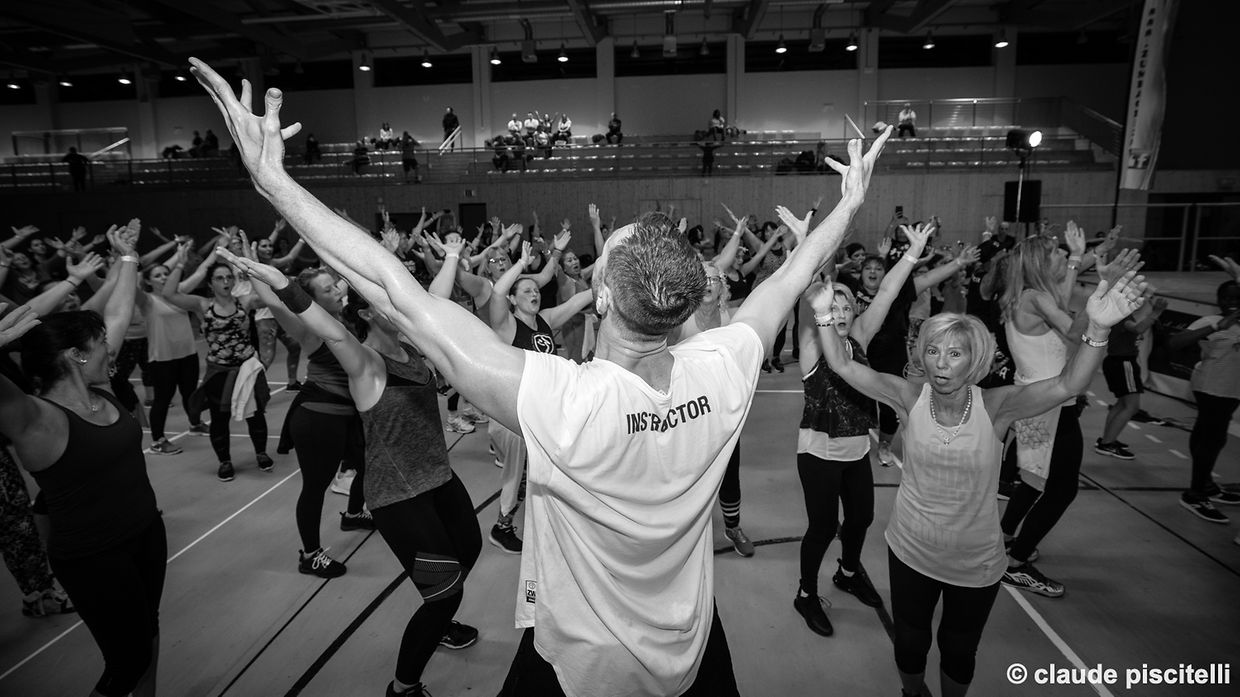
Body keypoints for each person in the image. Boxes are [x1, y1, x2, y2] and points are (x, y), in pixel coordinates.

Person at [188, 56, 890, 697]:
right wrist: (850, 204)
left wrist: (273, 180)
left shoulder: (563, 401)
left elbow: (399, 291)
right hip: (693, 649)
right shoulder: (727, 364)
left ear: (607, 298)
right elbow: (793, 275)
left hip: (581, 665)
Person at [812, 270, 1145, 697]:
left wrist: (1098, 327)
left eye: (954, 354)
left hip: (976, 561)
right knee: (911, 642)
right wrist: (823, 315)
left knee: (958, 648)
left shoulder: (997, 405)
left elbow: (1070, 383)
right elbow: (840, 363)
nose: (940, 363)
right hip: (912, 550)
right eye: (932, 351)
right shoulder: (908, 396)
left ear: (975, 359)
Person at [217, 241, 481, 696]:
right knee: (445, 593)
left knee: (470, 550)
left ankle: (437, 622)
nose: (401, 309)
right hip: (399, 496)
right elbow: (328, 330)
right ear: (365, 315)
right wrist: (280, 281)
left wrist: (453, 256)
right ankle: (403, 687)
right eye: (387, 306)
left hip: (438, 478)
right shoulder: (365, 364)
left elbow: (429, 301)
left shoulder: (412, 348)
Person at [0, 229, 167, 697]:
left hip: (146, 535)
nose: (110, 353)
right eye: (101, 346)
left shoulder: (101, 388)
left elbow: (115, 311)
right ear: (75, 355)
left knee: (148, 635)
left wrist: (130, 256)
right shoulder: (34, 418)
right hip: (94, 556)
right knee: (126, 659)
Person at [788, 221, 938, 638]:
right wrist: (805, 248)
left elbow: (887, 292)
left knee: (861, 518)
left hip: (855, 452)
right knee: (821, 527)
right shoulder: (812, 346)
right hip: (818, 453)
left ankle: (849, 572)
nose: (837, 311)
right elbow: (810, 300)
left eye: (844, 305)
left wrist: (911, 254)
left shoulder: (860, 338)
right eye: (829, 306)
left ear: (854, 310)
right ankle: (805, 594)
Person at [998, 232, 1140, 597]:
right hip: (1048, 406)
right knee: (1062, 490)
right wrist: (1104, 288)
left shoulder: (1026, 295)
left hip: (1035, 400)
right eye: (1057, 253)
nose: (1063, 256)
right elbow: (1075, 330)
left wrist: (1081, 258)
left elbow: (1060, 301)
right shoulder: (1036, 297)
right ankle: (1016, 561)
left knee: (1033, 479)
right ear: (1043, 263)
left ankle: (1005, 539)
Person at [484, 236, 593, 554]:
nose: (533, 293)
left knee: (548, 469)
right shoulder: (506, 325)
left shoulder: (544, 319)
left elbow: (577, 302)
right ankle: (502, 527)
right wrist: (519, 264)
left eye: (535, 290)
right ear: (514, 301)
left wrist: (604, 280)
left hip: (540, 411)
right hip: (511, 412)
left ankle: (552, 524)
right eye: (526, 291)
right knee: (518, 475)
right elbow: (497, 292)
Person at [160, 255, 271, 482]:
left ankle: (261, 452)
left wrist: (253, 264)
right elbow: (168, 294)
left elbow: (273, 296)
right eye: (219, 278)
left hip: (246, 369)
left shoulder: (245, 301)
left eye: (229, 277)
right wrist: (180, 262)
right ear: (211, 283)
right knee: (220, 419)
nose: (226, 282)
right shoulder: (202, 305)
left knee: (256, 415)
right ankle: (225, 461)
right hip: (219, 372)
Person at [1171, 255, 1240, 523]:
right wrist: (1217, 325)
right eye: (1227, 298)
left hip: (1232, 389)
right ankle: (1195, 493)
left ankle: (1206, 484)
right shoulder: (1211, 320)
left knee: (1210, 435)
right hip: (1212, 387)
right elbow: (1176, 342)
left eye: (1237, 296)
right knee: (1211, 438)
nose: (1232, 301)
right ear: (1219, 301)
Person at [1095, 294, 1167, 459]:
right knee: (1131, 407)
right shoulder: (1121, 317)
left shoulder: (1121, 315)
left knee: (1121, 404)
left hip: (1117, 362)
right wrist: (1156, 313)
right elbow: (1138, 329)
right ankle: (1107, 444)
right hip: (1122, 363)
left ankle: (1107, 439)